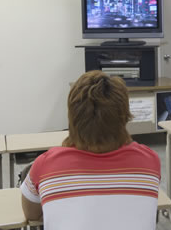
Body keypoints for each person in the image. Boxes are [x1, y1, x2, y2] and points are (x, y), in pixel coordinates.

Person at [20, 70, 161, 230]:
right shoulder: (150, 160)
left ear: (73, 116)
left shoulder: (44, 165)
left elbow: (31, 214)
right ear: (124, 116)